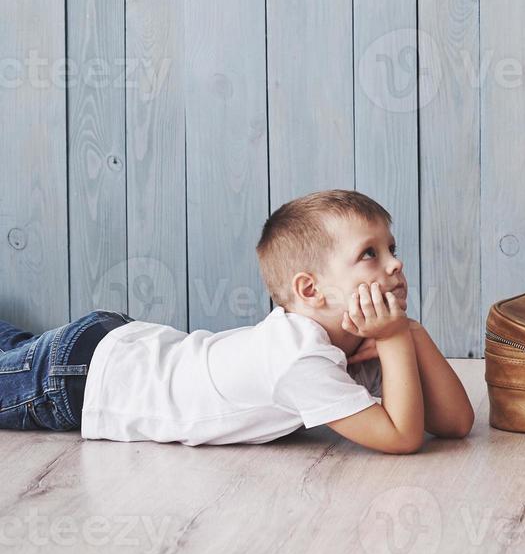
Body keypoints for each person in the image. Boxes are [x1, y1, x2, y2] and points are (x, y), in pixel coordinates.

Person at [0, 189, 473, 452]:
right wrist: (394, 339)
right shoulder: (301, 358)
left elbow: (453, 423)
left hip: (115, 345)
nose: (394, 265)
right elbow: (402, 438)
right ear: (310, 290)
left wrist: (411, 332)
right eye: (369, 254)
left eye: (393, 249)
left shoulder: (352, 339)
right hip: (86, 381)